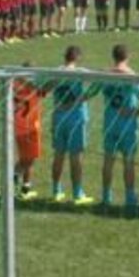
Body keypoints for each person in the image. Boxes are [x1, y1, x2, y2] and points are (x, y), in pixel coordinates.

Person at [98, 44, 139, 208]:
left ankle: (106, 197)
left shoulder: (105, 75)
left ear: (113, 56)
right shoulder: (131, 76)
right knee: (129, 162)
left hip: (110, 123)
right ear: (127, 56)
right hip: (127, 125)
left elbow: (93, 91)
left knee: (108, 161)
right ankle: (130, 198)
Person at [48, 46, 93, 204]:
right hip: (76, 118)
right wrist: (85, 97)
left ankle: (56, 190)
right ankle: (77, 193)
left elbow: (46, 87)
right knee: (76, 156)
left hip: (59, 117)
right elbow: (98, 80)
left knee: (58, 154)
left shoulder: (56, 72)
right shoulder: (81, 72)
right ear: (78, 57)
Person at [12, 67, 44, 200]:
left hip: (18, 126)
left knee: (26, 158)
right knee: (29, 159)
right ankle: (14, 177)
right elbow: (44, 90)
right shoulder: (34, 89)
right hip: (31, 128)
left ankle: (26, 188)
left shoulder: (14, 84)